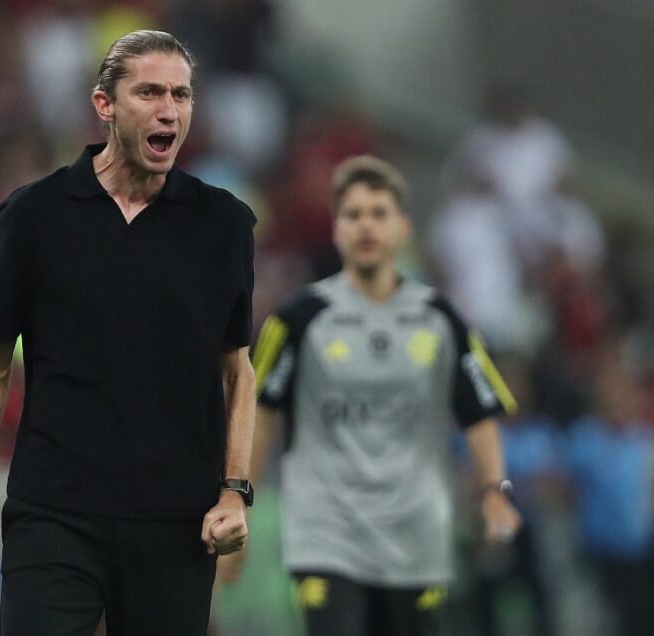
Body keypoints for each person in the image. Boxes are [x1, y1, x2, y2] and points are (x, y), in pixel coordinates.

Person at [0, 30, 257, 636]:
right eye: (150, 92)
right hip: (54, 513)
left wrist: (233, 492)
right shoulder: (32, 216)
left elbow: (235, 369)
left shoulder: (225, 226)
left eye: (182, 95)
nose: (170, 109)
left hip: (176, 521)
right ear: (104, 105)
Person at [218, 155, 522, 636]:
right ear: (337, 230)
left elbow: (480, 414)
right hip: (327, 532)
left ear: (402, 228)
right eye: (353, 214)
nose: (366, 227)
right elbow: (259, 414)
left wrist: (494, 493)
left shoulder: (442, 319)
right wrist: (239, 505)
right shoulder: (299, 320)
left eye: (379, 213)